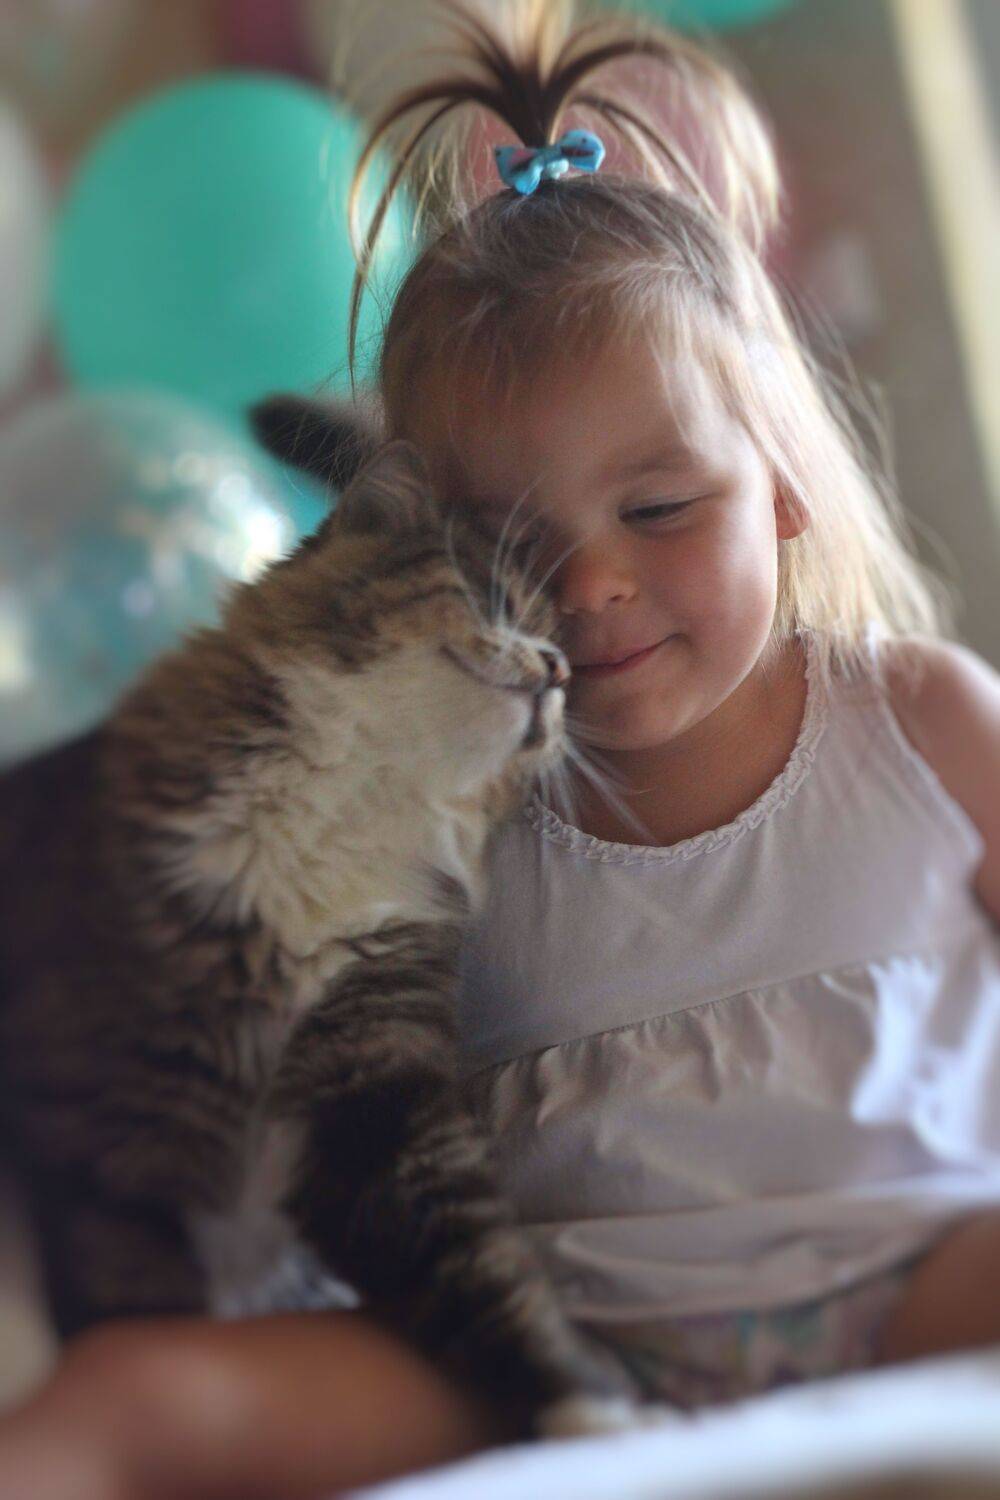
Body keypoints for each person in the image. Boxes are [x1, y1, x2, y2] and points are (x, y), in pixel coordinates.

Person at [1, 0, 998, 1495]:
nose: (590, 584)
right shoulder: (434, 814)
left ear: (783, 480)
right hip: (549, 1356)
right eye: (510, 543)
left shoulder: (921, 722)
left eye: (659, 509)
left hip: (910, 1283)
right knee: (126, 1398)